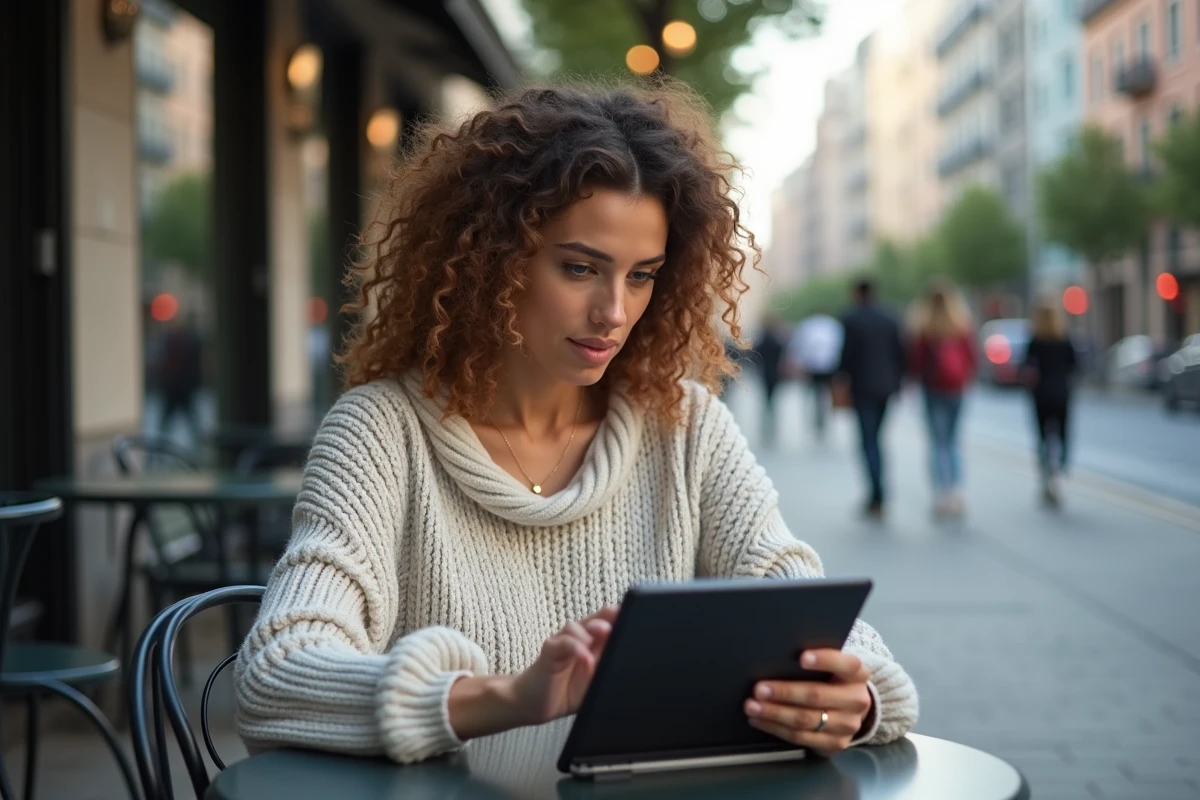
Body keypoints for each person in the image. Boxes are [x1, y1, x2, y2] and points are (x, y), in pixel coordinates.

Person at [234, 84, 918, 765]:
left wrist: (847, 700)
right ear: (489, 259)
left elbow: (817, 617)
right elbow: (275, 676)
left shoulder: (683, 425)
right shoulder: (382, 431)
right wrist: (505, 697)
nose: (614, 311)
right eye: (580, 268)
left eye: (643, 275)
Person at [836, 279, 907, 519]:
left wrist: (840, 379)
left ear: (857, 294)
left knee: (868, 442)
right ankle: (879, 493)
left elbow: (846, 356)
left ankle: (876, 495)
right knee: (877, 439)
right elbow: (900, 354)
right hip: (885, 388)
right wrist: (898, 384)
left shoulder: (851, 319)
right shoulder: (890, 318)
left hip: (862, 388)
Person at [908, 281, 976, 518]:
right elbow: (971, 358)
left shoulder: (925, 328)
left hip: (933, 389)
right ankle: (957, 490)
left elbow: (915, 362)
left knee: (938, 442)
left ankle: (941, 494)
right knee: (954, 440)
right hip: (956, 389)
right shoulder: (960, 325)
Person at [1022, 302, 1078, 507]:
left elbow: (1026, 366)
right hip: (1062, 393)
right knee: (1062, 435)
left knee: (1043, 437)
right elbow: (1075, 366)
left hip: (1040, 394)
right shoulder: (1064, 340)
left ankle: (1047, 476)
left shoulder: (1035, 340)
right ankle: (1059, 475)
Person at [786, 308, 843, 438]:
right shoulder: (832, 324)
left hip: (811, 366)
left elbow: (798, 346)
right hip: (828, 366)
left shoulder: (807, 325)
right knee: (825, 394)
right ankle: (823, 419)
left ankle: (817, 419)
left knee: (813, 395)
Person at [751, 314, 789, 442]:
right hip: (775, 373)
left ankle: (766, 420)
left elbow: (754, 358)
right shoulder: (778, 342)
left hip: (764, 372)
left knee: (766, 397)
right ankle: (771, 419)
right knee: (772, 398)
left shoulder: (761, 342)